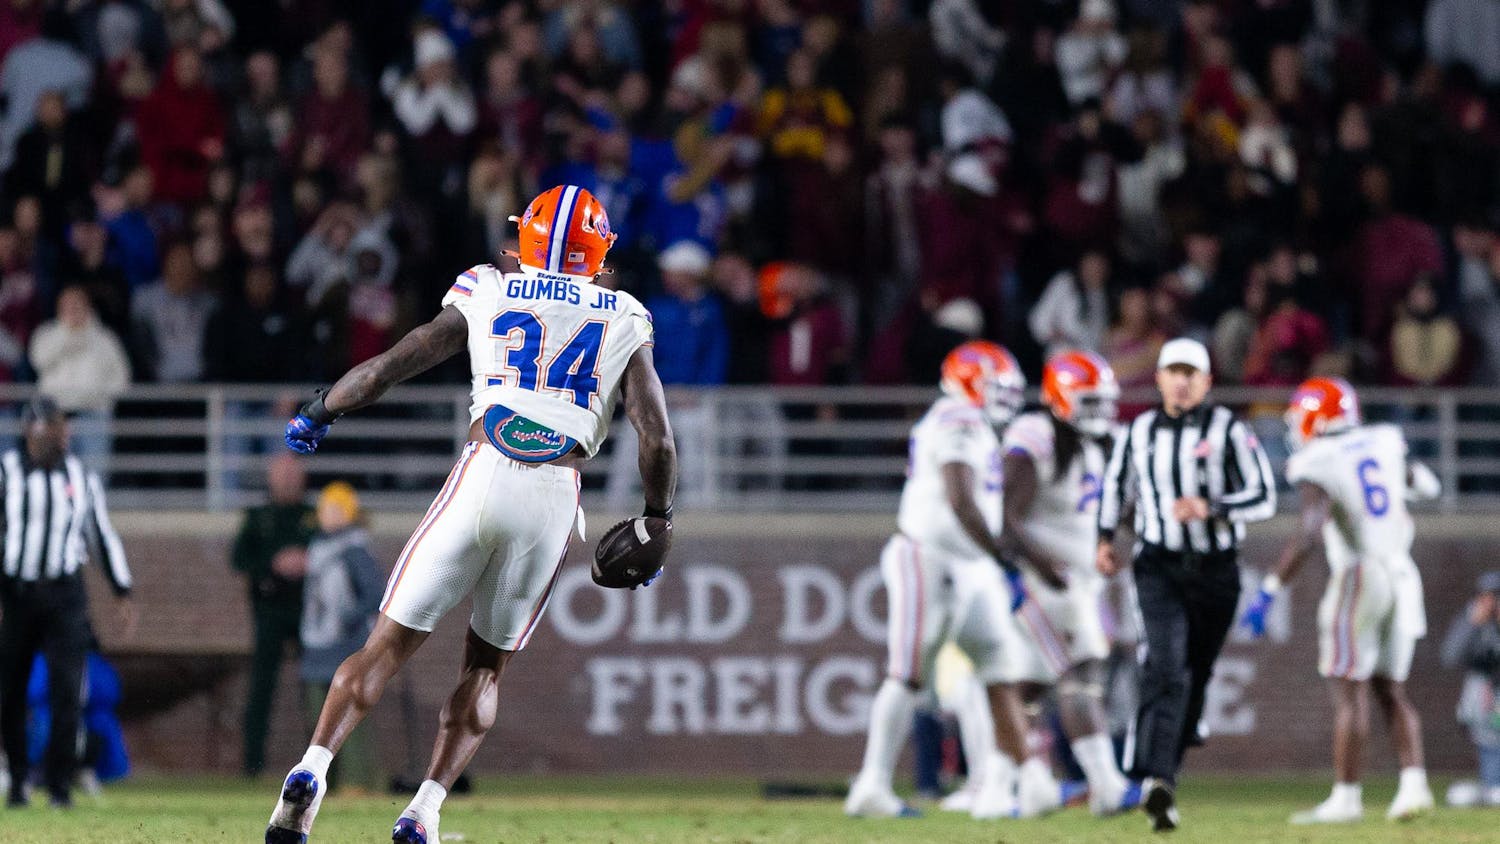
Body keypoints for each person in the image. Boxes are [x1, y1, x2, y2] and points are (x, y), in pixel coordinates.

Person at [266, 184, 676, 844]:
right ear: (597, 252)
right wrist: (659, 516)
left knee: (385, 647)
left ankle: (312, 767)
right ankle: (423, 811)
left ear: (530, 240)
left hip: (481, 472)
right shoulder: (625, 312)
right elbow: (655, 436)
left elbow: (398, 362)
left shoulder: (489, 285)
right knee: (484, 668)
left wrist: (323, 409)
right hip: (552, 498)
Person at [845, 341, 1053, 821]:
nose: (1003, 397)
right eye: (994, 386)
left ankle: (1019, 783)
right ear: (967, 382)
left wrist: (991, 556)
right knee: (909, 673)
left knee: (999, 666)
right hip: (930, 556)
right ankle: (872, 785)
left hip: (968, 562)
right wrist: (1002, 552)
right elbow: (960, 498)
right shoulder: (958, 418)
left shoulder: (974, 424)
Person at [1240, 378, 1439, 823]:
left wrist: (1270, 588)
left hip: (1360, 573)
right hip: (1403, 572)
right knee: (1391, 689)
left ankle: (1347, 798)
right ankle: (1414, 784)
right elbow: (1424, 483)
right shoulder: (1384, 440)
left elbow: (1311, 530)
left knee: (1349, 691)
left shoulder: (1318, 458)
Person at [1096, 337, 1276, 831]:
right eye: (1173, 371)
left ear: (1207, 381)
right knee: (1166, 667)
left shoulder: (1229, 431)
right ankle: (1160, 781)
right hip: (1159, 565)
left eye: (1190, 372)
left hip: (1217, 569)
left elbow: (1264, 495)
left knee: (1195, 671)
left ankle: (1166, 759)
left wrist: (1213, 507)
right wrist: (1105, 538)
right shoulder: (1139, 432)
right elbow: (1116, 485)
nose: (1181, 380)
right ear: (1158, 379)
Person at [999, 350, 1139, 816]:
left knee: (1027, 687)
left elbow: (1124, 508)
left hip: (1081, 581)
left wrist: (1119, 544)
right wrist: (1041, 567)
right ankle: (1106, 786)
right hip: (1047, 582)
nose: (1100, 412)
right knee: (1081, 676)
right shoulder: (1034, 435)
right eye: (1088, 401)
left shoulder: (1100, 444)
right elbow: (1009, 519)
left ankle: (1018, 785)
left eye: (1103, 402)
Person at [0, 398, 134, 809]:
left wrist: (122, 589)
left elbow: (100, 535)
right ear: (31, 431)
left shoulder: (79, 474)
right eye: (51, 431)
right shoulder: (5, 472)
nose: (59, 440)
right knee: (10, 690)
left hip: (64, 593)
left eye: (62, 431)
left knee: (67, 692)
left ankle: (59, 785)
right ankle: (20, 779)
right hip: (16, 591)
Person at [232, 454, 316, 777]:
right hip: (268, 612)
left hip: (309, 613)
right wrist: (273, 564)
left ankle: (322, 765)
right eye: (282, 475)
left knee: (317, 686)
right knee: (261, 687)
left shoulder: (314, 517)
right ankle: (252, 763)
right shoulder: (258, 517)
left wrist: (307, 560)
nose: (288, 481)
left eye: (294, 475)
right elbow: (239, 559)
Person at [300, 482, 383, 795]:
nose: (328, 516)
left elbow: (375, 592)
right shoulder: (318, 548)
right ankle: (322, 781)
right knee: (317, 720)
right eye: (325, 510)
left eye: (336, 510)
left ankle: (358, 780)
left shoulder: (354, 550)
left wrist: (350, 616)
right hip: (317, 645)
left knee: (348, 718)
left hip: (345, 647)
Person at [1440, 571, 1500, 807]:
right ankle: (1490, 787)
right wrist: (1473, 625)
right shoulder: (1471, 621)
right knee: (1491, 752)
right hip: (1484, 703)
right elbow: (1451, 656)